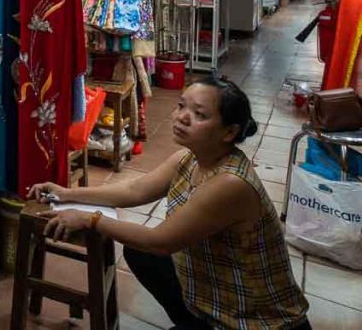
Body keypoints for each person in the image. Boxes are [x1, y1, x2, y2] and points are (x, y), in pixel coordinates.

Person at [29, 77, 310, 330]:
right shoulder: (189, 159)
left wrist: (91, 219)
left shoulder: (230, 184)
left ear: (229, 132)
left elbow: (160, 241)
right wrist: (66, 193)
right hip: (219, 297)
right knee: (140, 254)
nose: (182, 118)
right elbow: (134, 190)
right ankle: (194, 319)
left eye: (199, 114)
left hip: (259, 322)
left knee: (148, 249)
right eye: (181, 106)